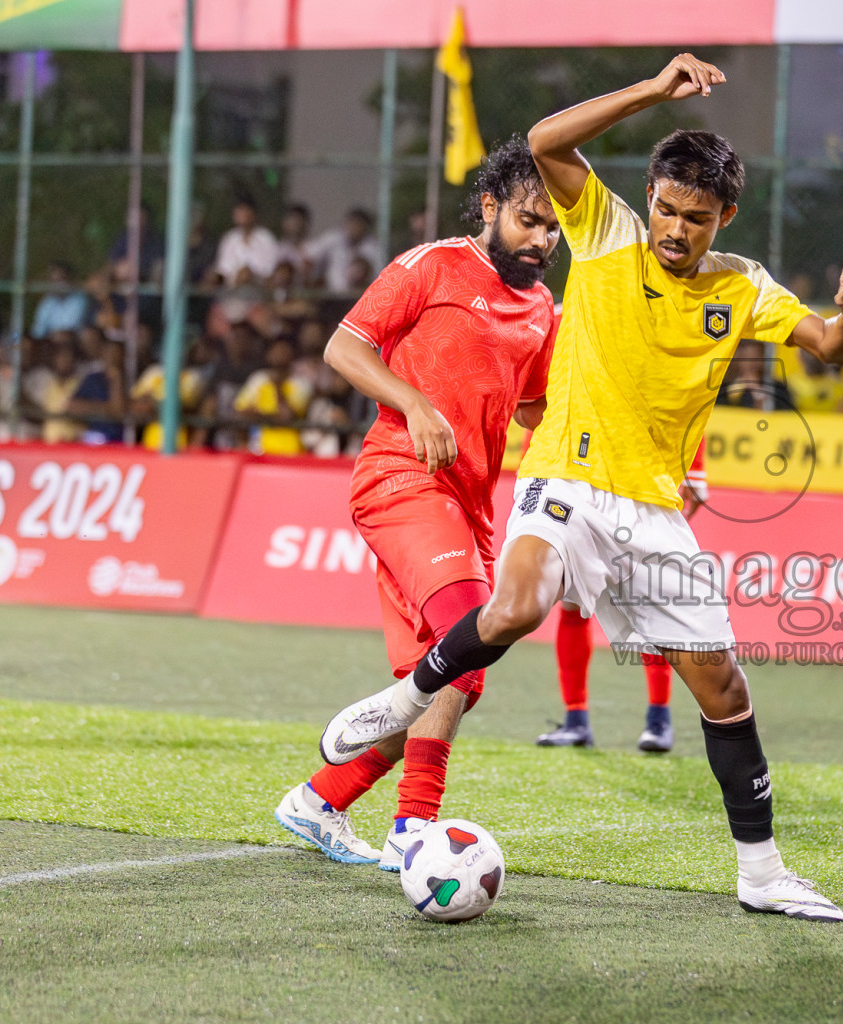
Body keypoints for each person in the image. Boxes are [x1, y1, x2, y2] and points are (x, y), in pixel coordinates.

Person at [317, 54, 843, 923]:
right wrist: (654, 92)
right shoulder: (608, 231)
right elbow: (545, 141)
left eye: (695, 217)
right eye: (665, 207)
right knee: (513, 609)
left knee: (725, 690)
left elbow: (830, 348)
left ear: (724, 216)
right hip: (567, 482)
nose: (674, 228)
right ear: (648, 197)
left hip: (654, 511)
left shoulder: (742, 285)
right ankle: (405, 697)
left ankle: (763, 874)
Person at [272, 137, 561, 868]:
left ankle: (320, 799)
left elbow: (534, 410)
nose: (542, 239)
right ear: (491, 207)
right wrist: (417, 405)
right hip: (401, 477)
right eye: (530, 220)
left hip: (470, 502)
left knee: (451, 675)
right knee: (469, 637)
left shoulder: (542, 308)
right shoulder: (430, 265)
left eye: (554, 227)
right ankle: (413, 830)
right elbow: (345, 347)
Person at [537, 446, 706, 752]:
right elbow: (542, 402)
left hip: (639, 475)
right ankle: (576, 718)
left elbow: (685, 397)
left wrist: (695, 468)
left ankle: (659, 718)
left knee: (644, 596)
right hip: (576, 475)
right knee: (572, 598)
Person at [308, 208, 387, 293]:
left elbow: (380, 274)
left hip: (361, 295)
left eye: (359, 224)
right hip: (331, 295)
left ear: (365, 226)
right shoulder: (333, 238)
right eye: (352, 223)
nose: (355, 227)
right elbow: (310, 257)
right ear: (346, 223)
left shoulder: (373, 247)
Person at [212, 197, 281, 287]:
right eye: (238, 211)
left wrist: (251, 276)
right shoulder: (229, 239)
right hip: (232, 293)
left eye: (244, 210)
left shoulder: (266, 239)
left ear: (253, 213)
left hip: (260, 293)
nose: (240, 215)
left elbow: (271, 271)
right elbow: (223, 271)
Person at [30, 262, 93, 340]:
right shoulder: (47, 301)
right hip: (50, 341)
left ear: (69, 279)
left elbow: (72, 327)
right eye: (54, 281)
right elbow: (38, 329)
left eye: (60, 280)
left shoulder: (80, 299)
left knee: (61, 336)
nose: (57, 285)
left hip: (73, 342)